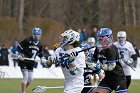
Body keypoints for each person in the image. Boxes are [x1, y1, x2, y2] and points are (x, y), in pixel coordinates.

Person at [88, 28, 128, 93]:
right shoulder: (98, 48)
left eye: (103, 36)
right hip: (107, 78)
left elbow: (111, 67)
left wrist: (99, 66)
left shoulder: (111, 48)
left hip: (118, 78)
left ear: (109, 37)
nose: (100, 38)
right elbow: (93, 60)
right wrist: (87, 59)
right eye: (99, 36)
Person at [11, 27, 46, 93]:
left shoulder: (40, 44)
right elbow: (19, 47)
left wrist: (43, 58)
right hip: (23, 61)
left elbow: (40, 53)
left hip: (31, 62)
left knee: (30, 79)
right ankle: (23, 92)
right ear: (32, 34)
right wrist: (20, 54)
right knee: (25, 77)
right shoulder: (27, 40)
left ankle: (21, 91)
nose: (36, 36)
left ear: (40, 35)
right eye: (35, 34)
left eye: (38, 34)